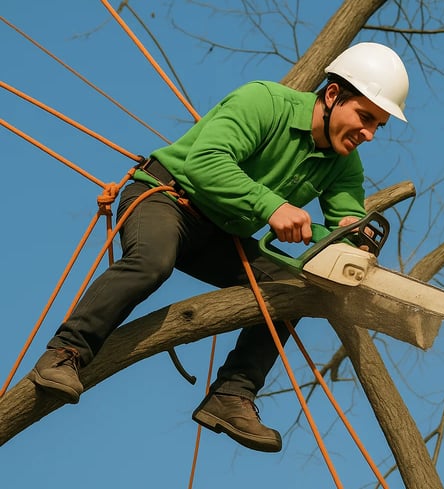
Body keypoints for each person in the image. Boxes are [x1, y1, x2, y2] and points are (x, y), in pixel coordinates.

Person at [27, 42, 409, 453]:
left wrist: (354, 238)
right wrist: (272, 207)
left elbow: (347, 215)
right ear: (333, 95)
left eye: (378, 126)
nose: (368, 134)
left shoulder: (344, 163)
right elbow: (204, 163)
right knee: (153, 262)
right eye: (365, 117)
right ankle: (66, 353)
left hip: (222, 234)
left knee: (295, 288)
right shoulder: (264, 102)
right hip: (168, 198)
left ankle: (232, 394)